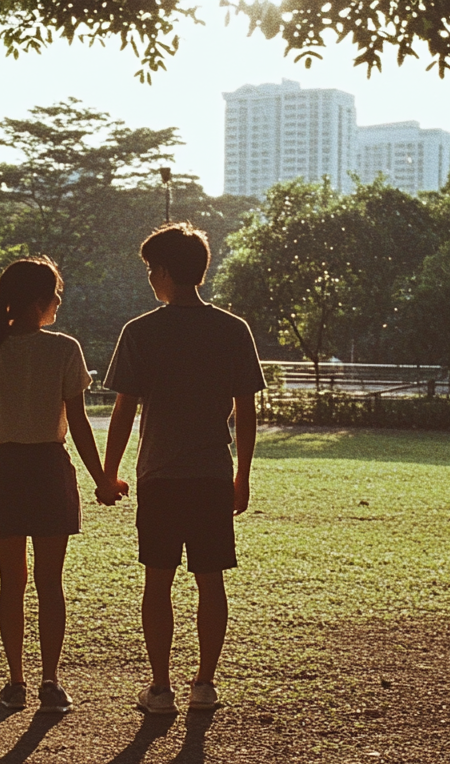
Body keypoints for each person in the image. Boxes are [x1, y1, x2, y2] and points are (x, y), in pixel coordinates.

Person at [99, 222, 267, 715]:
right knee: (210, 579)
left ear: (166, 272)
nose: (150, 277)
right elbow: (246, 410)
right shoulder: (233, 329)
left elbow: (125, 410)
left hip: (159, 476)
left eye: (152, 269)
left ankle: (160, 687)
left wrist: (109, 472)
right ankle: (205, 683)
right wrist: (243, 475)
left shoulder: (141, 331)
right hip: (213, 472)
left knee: (158, 580)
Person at [0, 257, 126, 714]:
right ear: (40, 301)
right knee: (50, 583)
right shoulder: (64, 349)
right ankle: (50, 681)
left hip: (5, 469)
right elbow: (79, 422)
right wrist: (103, 480)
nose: (58, 303)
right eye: (56, 296)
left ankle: (15, 682)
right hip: (51, 469)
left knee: (11, 584)